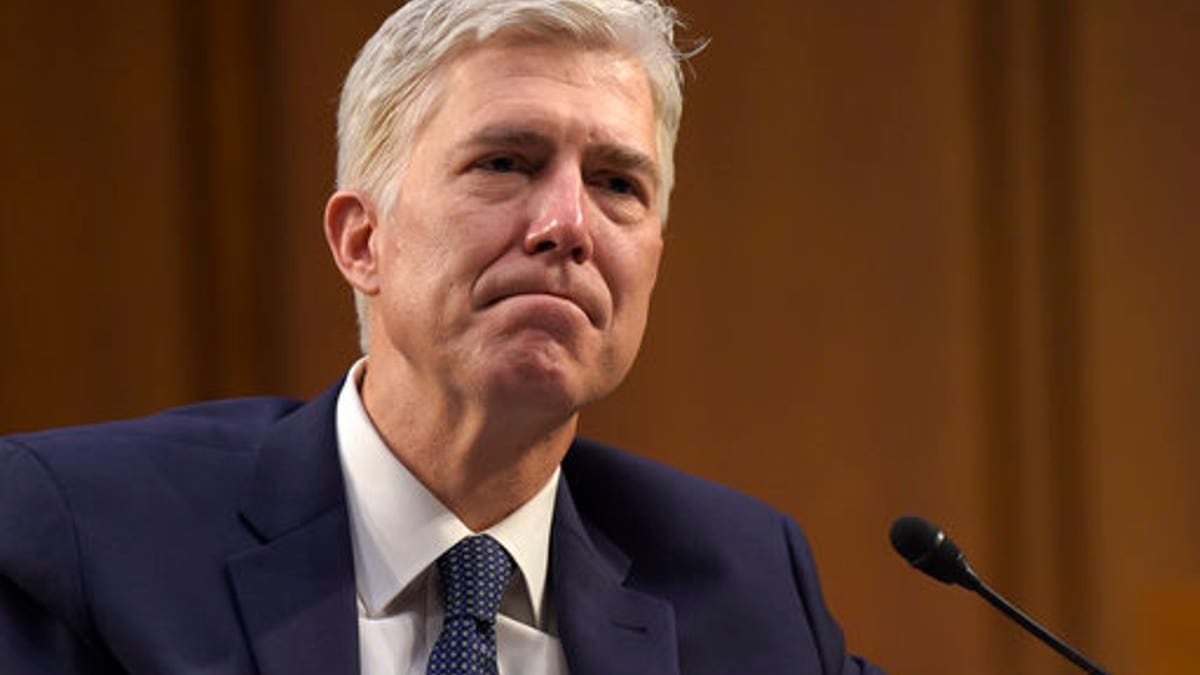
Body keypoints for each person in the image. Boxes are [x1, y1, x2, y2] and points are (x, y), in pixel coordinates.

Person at [0, 1, 886, 673]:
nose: (568, 224)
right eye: (505, 163)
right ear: (362, 240)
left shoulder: (748, 589)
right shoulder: (87, 538)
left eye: (618, 182)